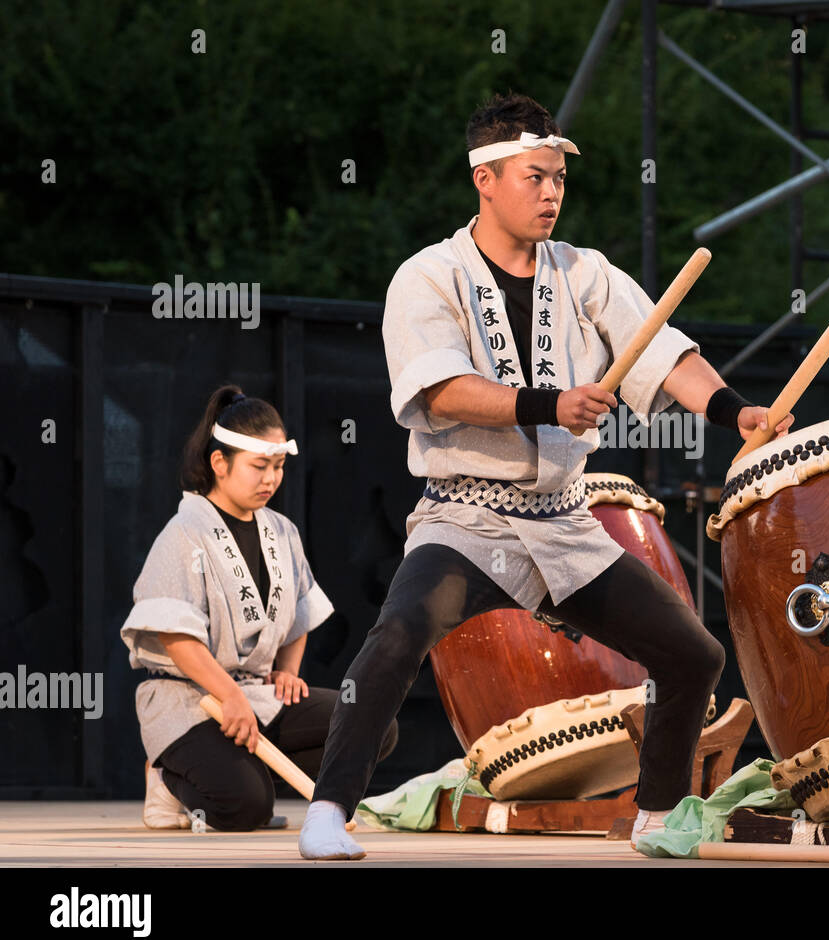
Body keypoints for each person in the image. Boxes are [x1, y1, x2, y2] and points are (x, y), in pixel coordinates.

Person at [299, 92, 791, 860]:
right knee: (399, 633)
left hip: (563, 524)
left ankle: (657, 814)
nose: (552, 192)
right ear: (485, 179)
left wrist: (736, 413)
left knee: (694, 654)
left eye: (560, 177)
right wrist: (550, 403)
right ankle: (329, 808)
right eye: (535, 176)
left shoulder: (585, 273)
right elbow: (441, 391)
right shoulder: (429, 277)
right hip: (467, 520)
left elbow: (664, 354)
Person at [121, 384, 398, 832]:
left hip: (255, 697)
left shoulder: (282, 531)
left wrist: (287, 669)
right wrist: (229, 696)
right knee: (244, 810)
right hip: (189, 701)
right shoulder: (184, 533)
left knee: (373, 723)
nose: (270, 479)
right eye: (259, 466)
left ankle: (238, 770)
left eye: (279, 466)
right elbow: (176, 638)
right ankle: (168, 777)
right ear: (219, 464)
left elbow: (300, 612)